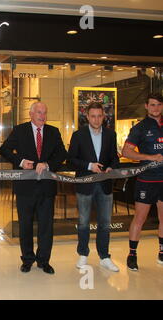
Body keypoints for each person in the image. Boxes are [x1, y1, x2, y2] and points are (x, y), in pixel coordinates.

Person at [0, 102, 66, 274]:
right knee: (25, 226)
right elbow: (4, 149)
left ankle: (44, 261)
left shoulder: (53, 131)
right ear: (31, 114)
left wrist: (47, 164)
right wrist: (21, 162)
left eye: (45, 112)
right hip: (25, 188)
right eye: (39, 112)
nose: (42, 116)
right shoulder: (20, 130)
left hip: (46, 187)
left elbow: (62, 154)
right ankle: (27, 259)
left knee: (46, 226)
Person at [68, 102, 120, 271]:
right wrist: (89, 165)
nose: (96, 119)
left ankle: (104, 256)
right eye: (93, 116)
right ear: (87, 117)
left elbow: (115, 158)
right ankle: (83, 254)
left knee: (105, 223)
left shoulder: (111, 135)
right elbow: (71, 160)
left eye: (99, 116)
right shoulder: (78, 135)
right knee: (83, 222)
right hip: (85, 185)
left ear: (104, 117)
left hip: (105, 185)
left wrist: (112, 167)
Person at [121, 93, 163, 271]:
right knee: (140, 218)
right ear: (146, 106)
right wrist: (150, 157)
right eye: (152, 105)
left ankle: (161, 251)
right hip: (146, 180)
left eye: (159, 105)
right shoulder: (140, 127)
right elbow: (126, 151)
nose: (156, 108)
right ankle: (132, 254)